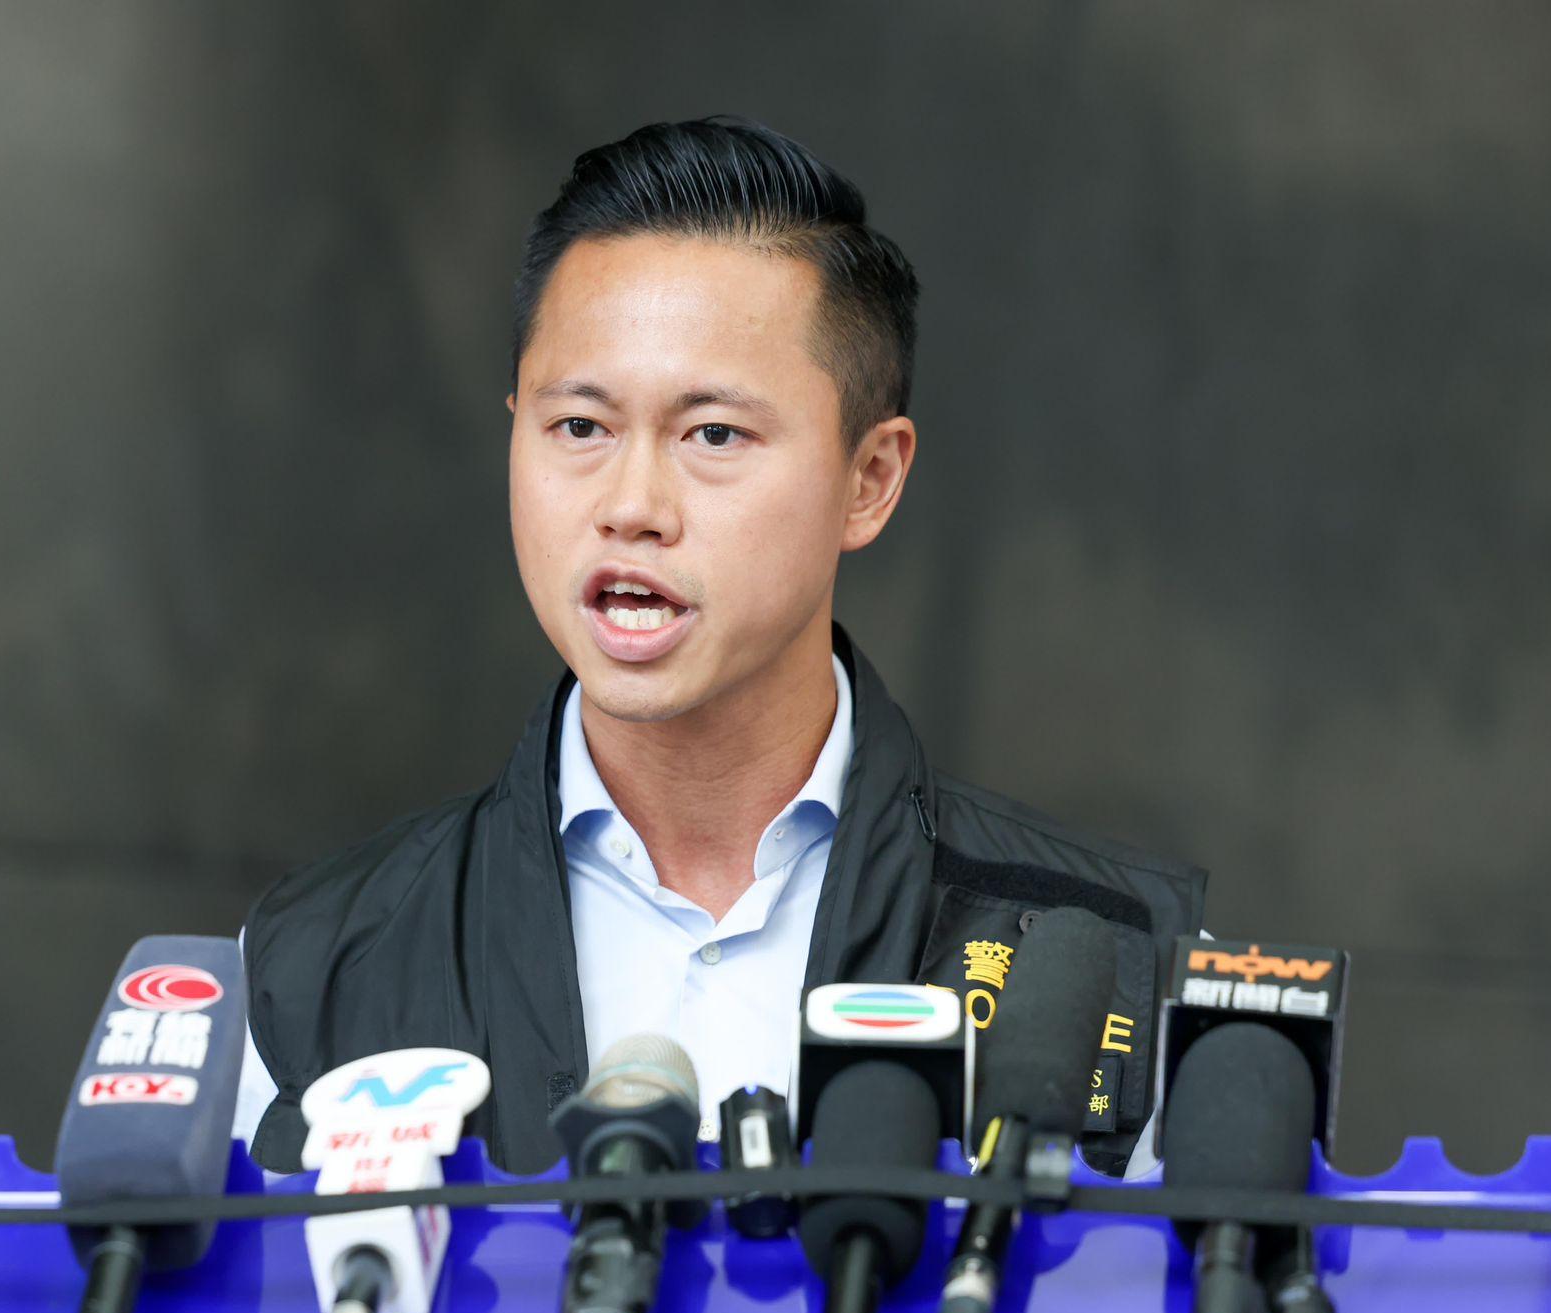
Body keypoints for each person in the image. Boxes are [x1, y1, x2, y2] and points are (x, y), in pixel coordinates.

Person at [234, 117, 1206, 1177]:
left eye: (713, 434)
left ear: (870, 479)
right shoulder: (310, 967)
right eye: (579, 427)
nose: (630, 506)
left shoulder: (1120, 959)